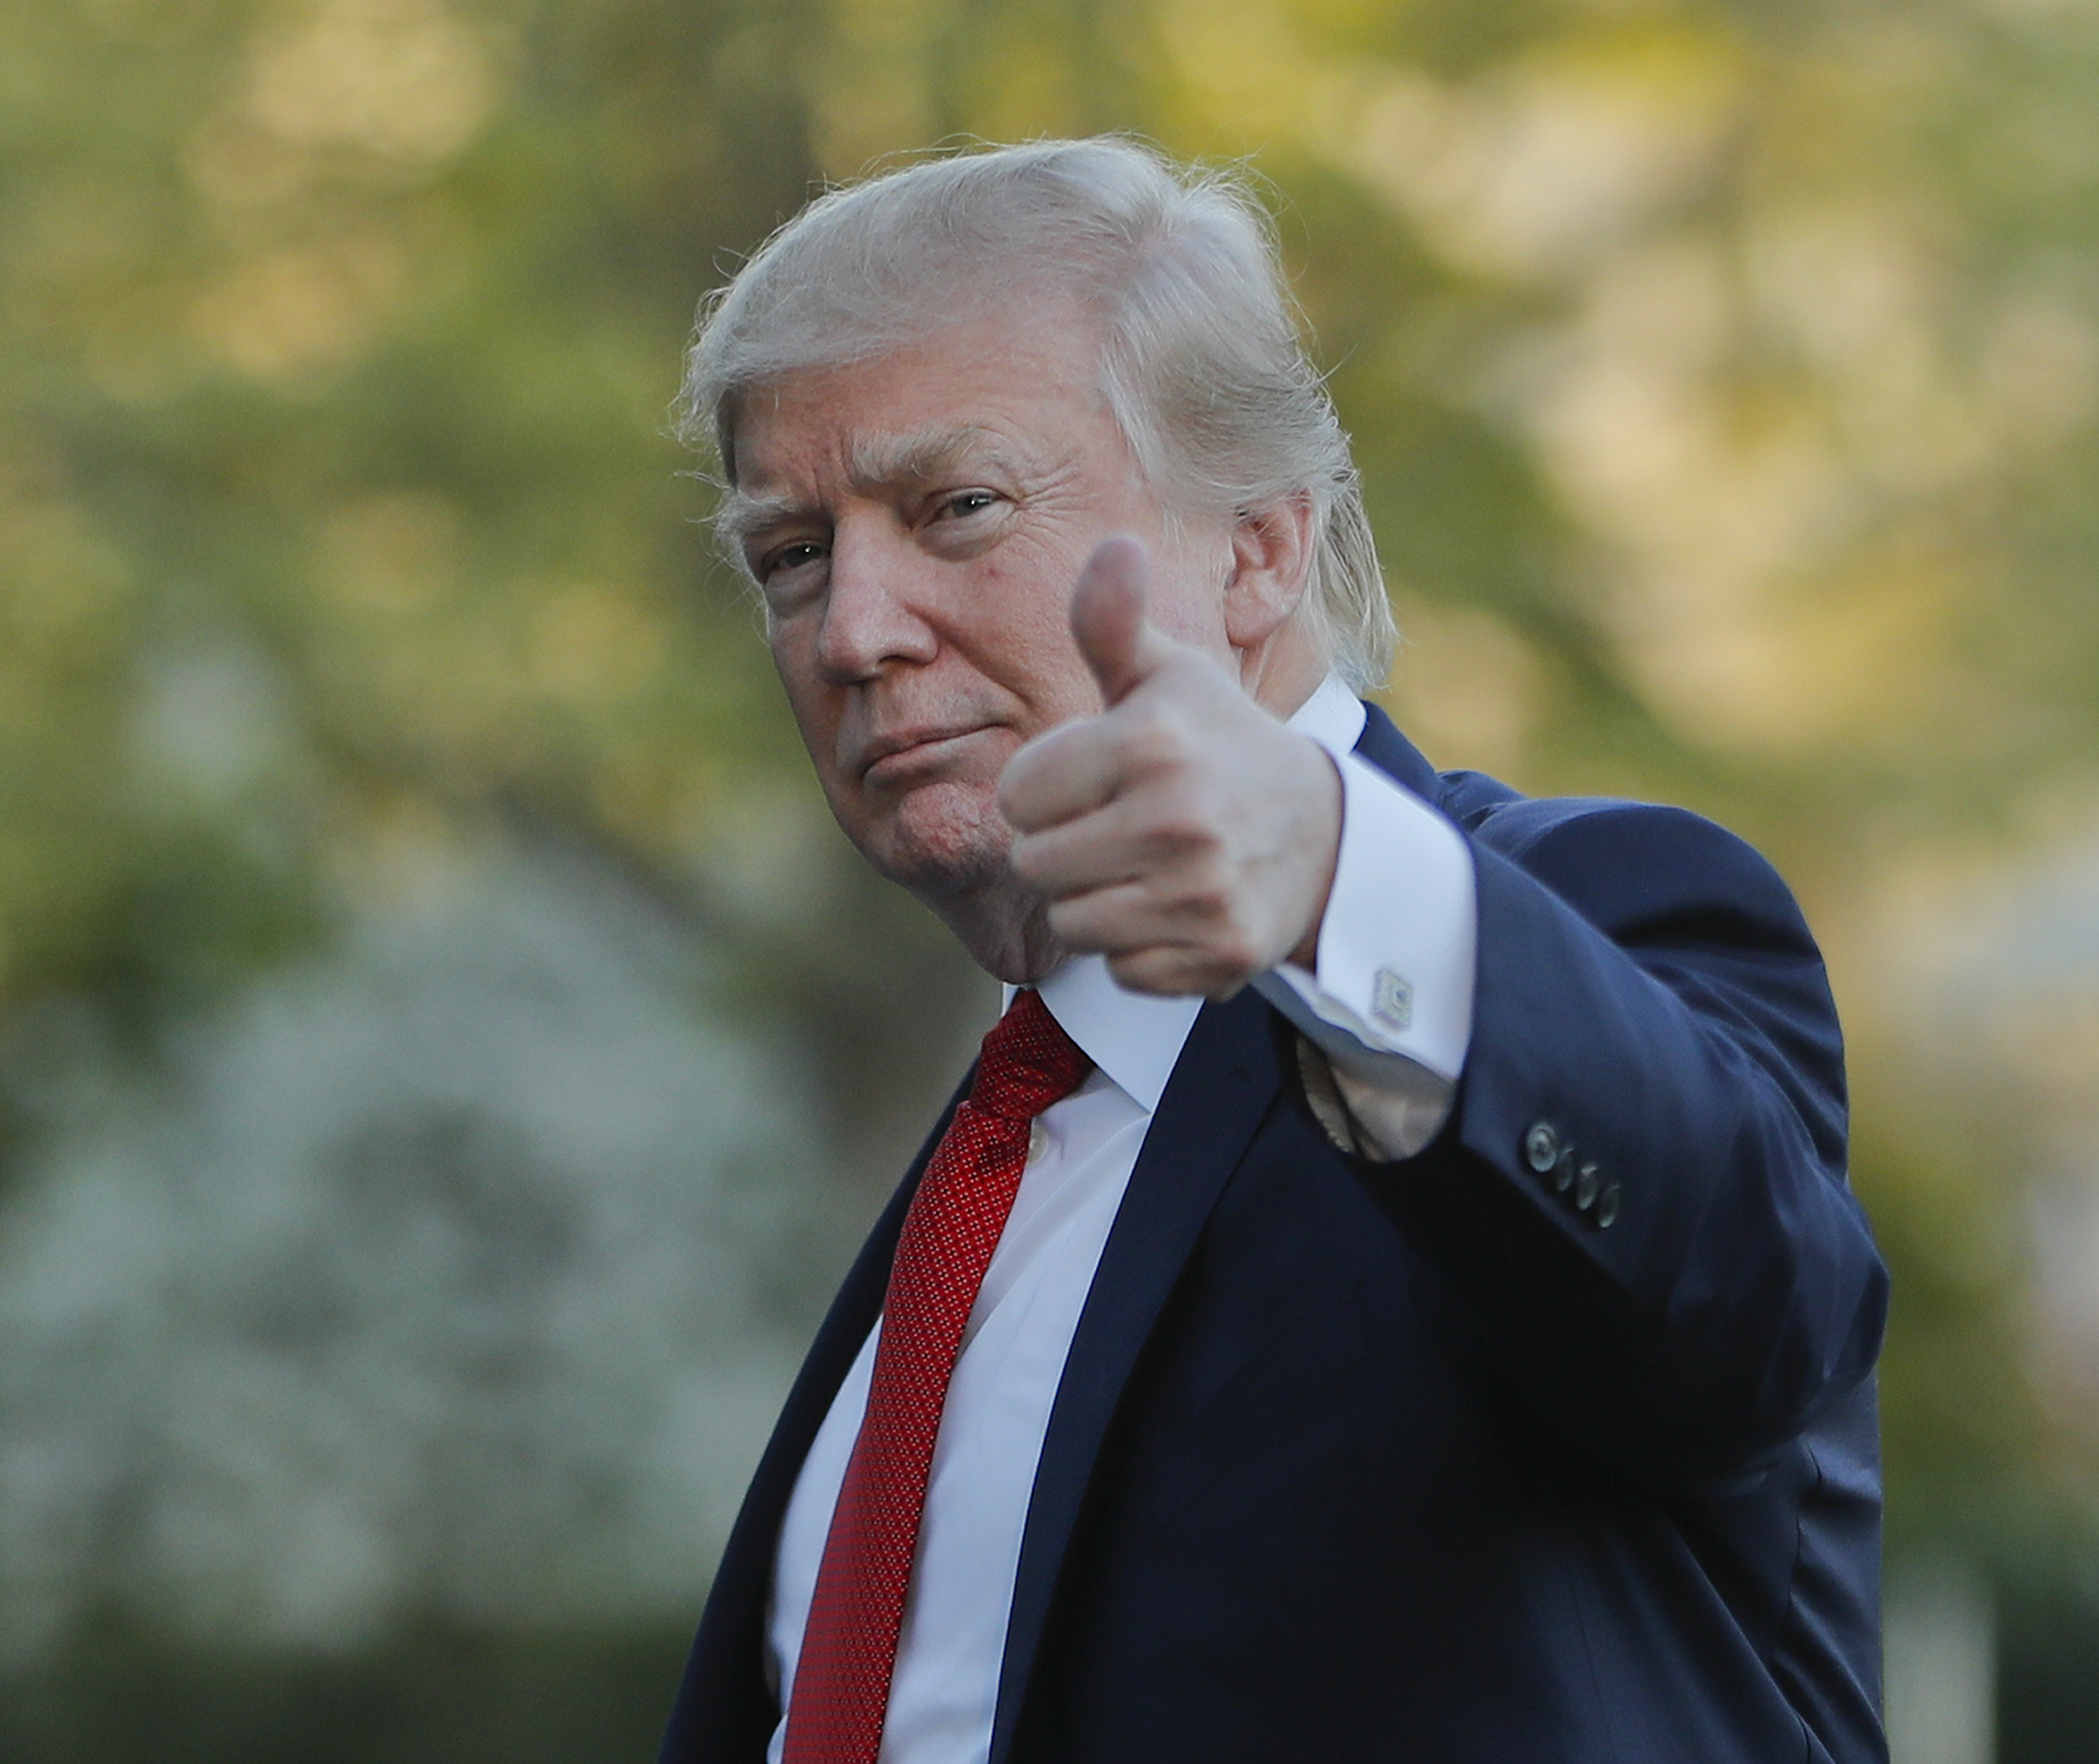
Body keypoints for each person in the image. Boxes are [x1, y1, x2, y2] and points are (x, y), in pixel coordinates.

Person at [660, 137, 1889, 1764]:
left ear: (1256, 546)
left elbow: (1751, 1303)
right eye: (792, 555)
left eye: (956, 506)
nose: (855, 629)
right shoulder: (1001, 1149)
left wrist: (1330, 870)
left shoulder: (1571, 925)